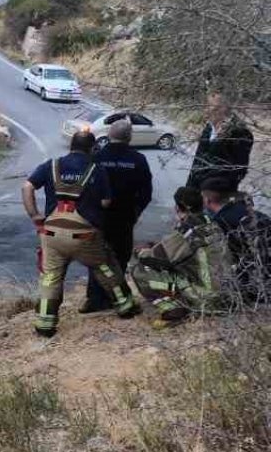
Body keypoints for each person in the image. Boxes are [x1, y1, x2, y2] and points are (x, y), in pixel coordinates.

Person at [22, 130, 139, 337]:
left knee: (50, 277)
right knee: (106, 267)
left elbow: (27, 186)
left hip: (51, 233)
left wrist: (34, 215)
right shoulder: (96, 169)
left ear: (71, 146)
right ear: (92, 148)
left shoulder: (52, 165)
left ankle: (45, 324)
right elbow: (106, 202)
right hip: (84, 236)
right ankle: (125, 306)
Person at [129, 187, 231, 328]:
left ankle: (173, 310)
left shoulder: (188, 230)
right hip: (228, 296)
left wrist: (140, 251)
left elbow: (154, 257)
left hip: (208, 299)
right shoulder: (212, 223)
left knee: (141, 270)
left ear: (178, 207)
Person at [83, 118, 153, 312]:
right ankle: (117, 299)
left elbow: (85, 189)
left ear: (109, 135)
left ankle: (95, 299)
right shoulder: (138, 159)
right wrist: (135, 213)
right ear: (129, 137)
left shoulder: (96, 157)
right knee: (120, 258)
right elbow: (146, 193)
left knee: (97, 258)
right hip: (125, 217)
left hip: (99, 218)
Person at [201, 176, 271, 302]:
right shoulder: (254, 214)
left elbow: (223, 259)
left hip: (254, 284)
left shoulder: (220, 222)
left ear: (207, 200)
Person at [185, 92, 254, 190]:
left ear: (224, 107)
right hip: (198, 195)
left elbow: (238, 171)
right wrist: (188, 192)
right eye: (205, 106)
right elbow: (197, 163)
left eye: (210, 106)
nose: (205, 110)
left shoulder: (240, 133)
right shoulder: (208, 128)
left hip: (218, 198)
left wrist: (212, 193)